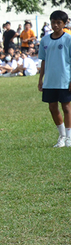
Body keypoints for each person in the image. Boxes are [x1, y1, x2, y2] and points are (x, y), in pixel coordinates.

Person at [38, 10, 71, 148]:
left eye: (59, 22)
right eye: (53, 22)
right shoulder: (45, 40)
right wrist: (41, 79)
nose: (55, 25)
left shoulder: (68, 39)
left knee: (66, 107)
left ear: (64, 23)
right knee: (52, 107)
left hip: (64, 79)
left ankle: (69, 137)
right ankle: (62, 136)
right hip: (50, 80)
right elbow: (44, 61)